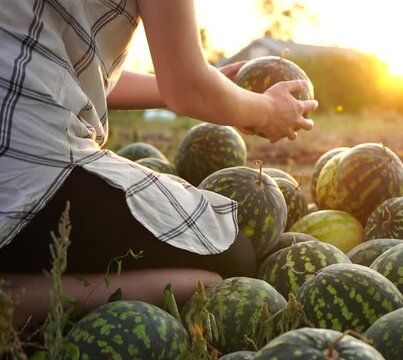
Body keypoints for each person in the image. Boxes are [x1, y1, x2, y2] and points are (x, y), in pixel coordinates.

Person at [0, 0, 317, 327]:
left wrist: (210, 84)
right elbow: (189, 88)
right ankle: (19, 299)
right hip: (30, 162)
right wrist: (267, 109)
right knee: (235, 258)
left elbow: (76, 70)